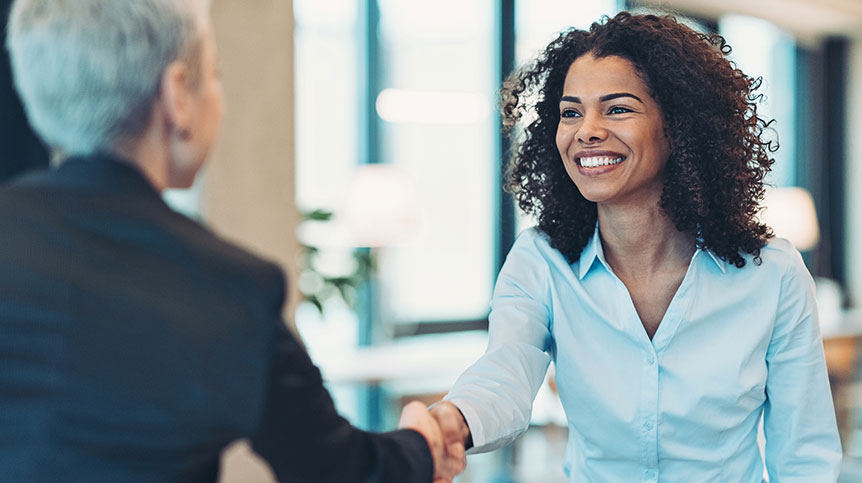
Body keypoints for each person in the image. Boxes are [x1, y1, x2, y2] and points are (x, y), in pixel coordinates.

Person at [0, 0, 465, 481]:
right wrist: (420, 445)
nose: (218, 93)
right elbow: (338, 470)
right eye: (216, 74)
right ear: (178, 95)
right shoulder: (228, 288)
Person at [429, 11, 842, 482]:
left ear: (679, 127)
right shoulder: (540, 261)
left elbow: (805, 459)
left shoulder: (773, 273)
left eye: (618, 108)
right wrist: (452, 421)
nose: (587, 130)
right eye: (571, 112)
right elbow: (505, 374)